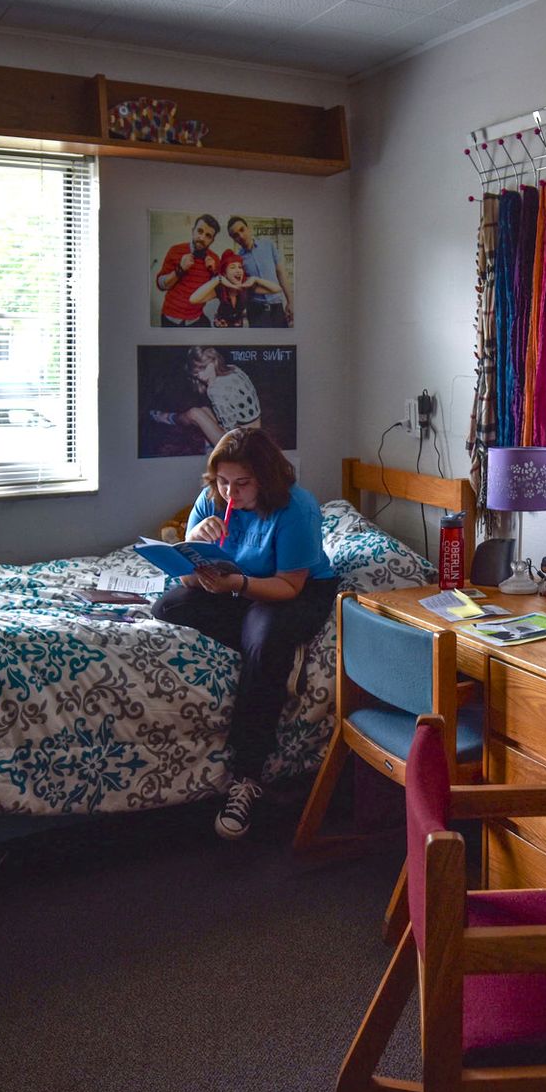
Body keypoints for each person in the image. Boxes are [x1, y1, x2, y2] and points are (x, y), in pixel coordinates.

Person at [151, 428, 338, 838]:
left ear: (265, 478)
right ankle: (275, 650)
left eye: (242, 483)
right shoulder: (212, 500)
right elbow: (188, 580)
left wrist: (236, 585)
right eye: (222, 481)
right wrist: (191, 545)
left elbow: (289, 586)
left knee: (265, 639)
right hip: (236, 585)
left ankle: (246, 775)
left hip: (291, 590)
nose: (230, 493)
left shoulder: (296, 508)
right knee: (167, 607)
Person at [147, 346, 260, 449]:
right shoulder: (233, 369)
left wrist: (210, 434)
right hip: (255, 432)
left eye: (200, 371)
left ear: (212, 364)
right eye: (196, 374)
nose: (199, 377)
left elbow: (230, 430)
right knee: (204, 410)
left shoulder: (215, 389)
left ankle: (168, 418)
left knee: (194, 413)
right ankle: (169, 418)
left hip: (243, 445)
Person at [155, 213, 222, 327]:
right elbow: (161, 285)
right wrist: (180, 269)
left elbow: (218, 292)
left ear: (212, 240)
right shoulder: (175, 250)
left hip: (195, 318)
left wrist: (214, 272)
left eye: (208, 236)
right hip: (170, 318)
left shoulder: (214, 259)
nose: (202, 238)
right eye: (199, 231)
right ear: (193, 231)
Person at [226, 216, 292, 327]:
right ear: (233, 239)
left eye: (242, 230)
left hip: (277, 307)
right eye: (235, 235)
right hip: (256, 310)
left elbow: (281, 273)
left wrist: (290, 302)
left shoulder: (268, 245)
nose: (241, 236)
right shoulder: (238, 259)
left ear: (248, 228)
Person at [191, 250, 281, 329]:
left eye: (240, 267)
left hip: (238, 327)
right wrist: (218, 279)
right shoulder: (221, 289)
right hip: (221, 327)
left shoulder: (247, 288)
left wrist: (255, 279)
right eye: (232, 267)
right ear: (225, 274)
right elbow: (193, 299)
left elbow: (277, 289)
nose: (238, 270)